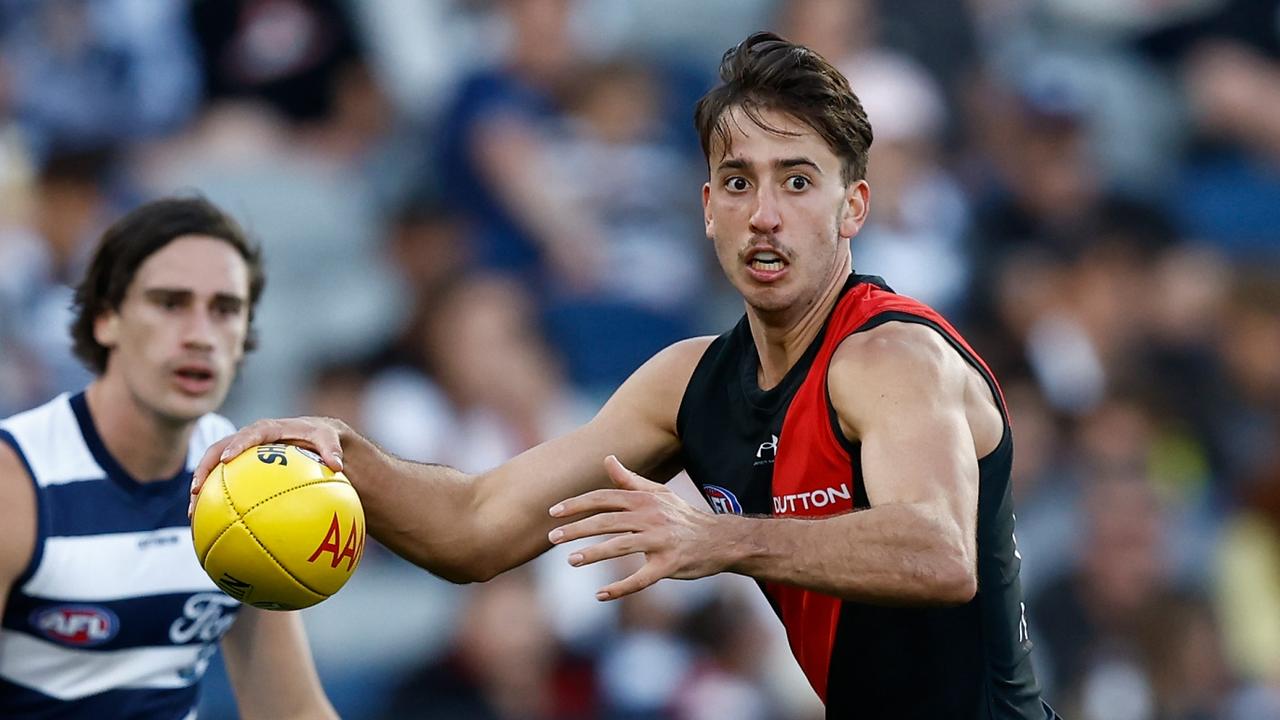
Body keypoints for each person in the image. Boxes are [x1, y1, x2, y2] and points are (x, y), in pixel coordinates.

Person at [192, 32, 1058, 718]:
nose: (765, 214)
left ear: (853, 208)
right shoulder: (688, 384)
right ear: (706, 208)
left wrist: (717, 539)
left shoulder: (893, 356)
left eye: (799, 181)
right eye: (737, 181)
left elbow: (939, 551)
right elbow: (478, 528)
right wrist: (347, 457)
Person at [0, 197, 336, 718]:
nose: (201, 335)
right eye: (170, 303)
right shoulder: (15, 478)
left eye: (225, 309)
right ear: (106, 319)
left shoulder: (248, 475)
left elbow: (289, 710)